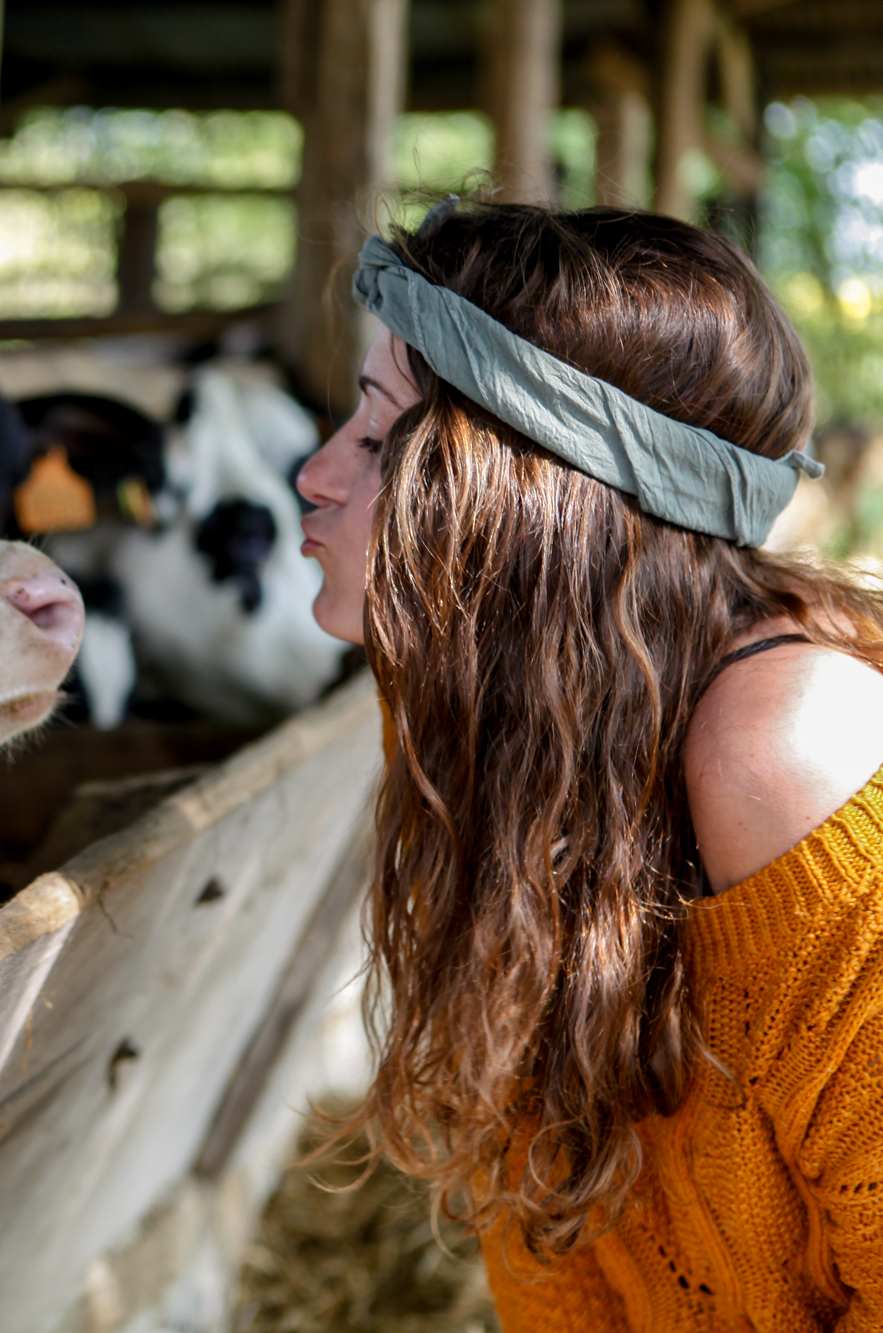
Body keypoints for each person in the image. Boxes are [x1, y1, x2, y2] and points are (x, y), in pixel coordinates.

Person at [294, 199, 883, 1331]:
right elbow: (557, 1240)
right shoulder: (505, 719)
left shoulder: (782, 751)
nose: (315, 475)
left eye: (374, 438)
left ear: (513, 494)